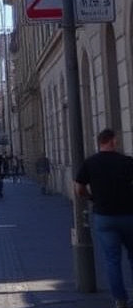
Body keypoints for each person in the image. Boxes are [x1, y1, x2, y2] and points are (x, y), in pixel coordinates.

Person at [74, 128, 133, 308]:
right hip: (128, 215)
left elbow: (79, 188)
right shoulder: (127, 162)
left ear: (99, 142)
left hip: (104, 216)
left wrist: (91, 197)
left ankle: (120, 299)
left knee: (112, 260)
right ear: (113, 141)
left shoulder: (90, 163)